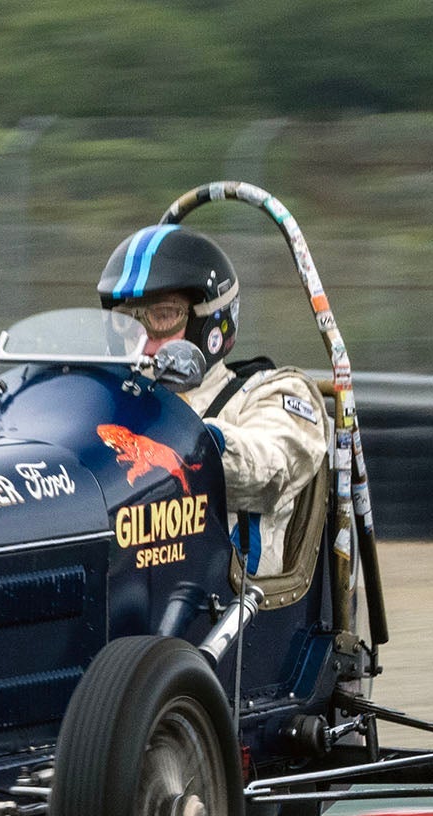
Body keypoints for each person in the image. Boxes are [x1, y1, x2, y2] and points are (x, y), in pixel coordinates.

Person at [98, 224, 332, 594]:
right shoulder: (115, 397)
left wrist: (198, 441)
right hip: (127, 586)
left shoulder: (273, 392)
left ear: (208, 321)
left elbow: (272, 467)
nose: (142, 341)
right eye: (127, 322)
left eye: (162, 317)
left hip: (223, 605)